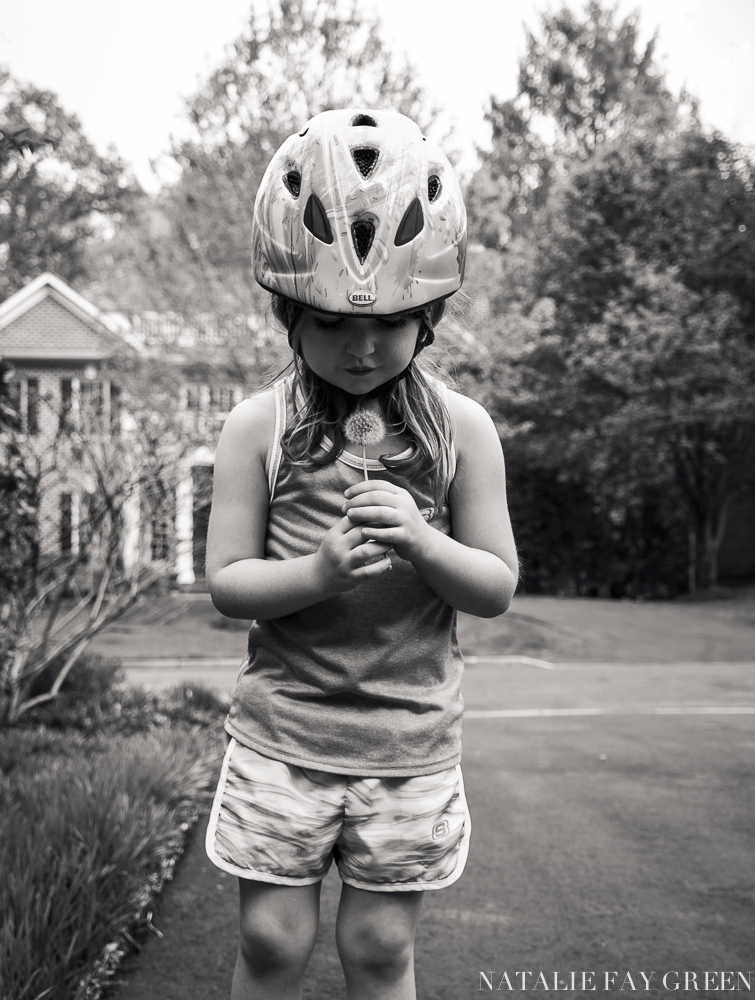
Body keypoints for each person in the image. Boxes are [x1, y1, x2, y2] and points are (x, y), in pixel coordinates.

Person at [204, 108, 518, 1000]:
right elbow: (228, 582)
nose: (363, 347)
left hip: (408, 745)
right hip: (283, 737)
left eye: (391, 321)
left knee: (379, 948)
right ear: (286, 308)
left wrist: (422, 540)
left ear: (431, 315)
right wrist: (317, 573)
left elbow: (494, 585)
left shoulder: (463, 431)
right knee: (271, 938)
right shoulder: (257, 427)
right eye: (333, 323)